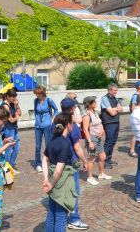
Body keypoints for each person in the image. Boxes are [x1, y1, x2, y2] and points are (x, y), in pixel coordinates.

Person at [42, 113, 78, 232]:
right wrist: (51, 184)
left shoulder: (52, 140)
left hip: (52, 178)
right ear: (68, 125)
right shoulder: (65, 142)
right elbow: (59, 168)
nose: (73, 124)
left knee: (52, 213)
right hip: (62, 181)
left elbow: (44, 159)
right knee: (61, 216)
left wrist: (46, 179)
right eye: (72, 122)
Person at [59, 98, 90, 230]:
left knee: (62, 191)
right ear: (72, 109)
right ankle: (74, 219)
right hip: (71, 162)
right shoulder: (72, 124)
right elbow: (77, 147)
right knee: (74, 191)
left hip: (58, 161)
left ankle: (61, 218)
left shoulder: (56, 120)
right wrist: (85, 160)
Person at [82, 96, 112, 186]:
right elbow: (85, 129)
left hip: (98, 138)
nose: (96, 103)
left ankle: (101, 174)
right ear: (89, 104)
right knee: (92, 158)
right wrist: (90, 142)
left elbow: (100, 123)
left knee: (102, 156)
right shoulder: (86, 115)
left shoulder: (95, 112)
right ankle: (90, 177)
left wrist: (102, 131)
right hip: (92, 138)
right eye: (94, 102)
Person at [34, 86, 58, 173]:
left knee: (48, 144)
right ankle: (38, 163)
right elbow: (35, 112)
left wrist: (53, 119)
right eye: (36, 93)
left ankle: (50, 162)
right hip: (38, 126)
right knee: (37, 146)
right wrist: (36, 121)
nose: (37, 95)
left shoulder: (49, 100)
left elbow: (56, 109)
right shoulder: (36, 101)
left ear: (42, 93)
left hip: (47, 125)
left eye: (38, 93)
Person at [101, 83, 123, 169]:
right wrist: (115, 109)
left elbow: (121, 110)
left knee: (113, 141)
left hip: (116, 122)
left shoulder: (115, 99)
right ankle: (104, 161)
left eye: (116, 90)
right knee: (109, 141)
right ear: (109, 90)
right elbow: (112, 113)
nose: (116, 92)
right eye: (114, 90)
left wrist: (115, 109)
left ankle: (109, 158)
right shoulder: (105, 99)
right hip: (109, 122)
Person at [2, 89, 22, 173]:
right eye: (12, 97)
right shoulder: (5, 106)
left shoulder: (13, 104)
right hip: (8, 129)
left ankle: (11, 165)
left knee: (17, 148)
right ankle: (6, 169)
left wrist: (17, 106)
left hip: (14, 128)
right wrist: (17, 117)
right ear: (7, 97)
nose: (14, 99)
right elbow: (11, 120)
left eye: (15, 97)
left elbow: (19, 113)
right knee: (8, 149)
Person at [128, 81, 140, 157]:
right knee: (135, 134)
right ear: (139, 87)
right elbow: (133, 107)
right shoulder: (136, 95)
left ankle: (139, 148)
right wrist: (137, 116)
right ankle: (132, 150)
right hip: (137, 117)